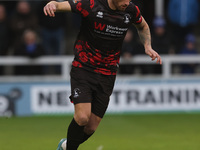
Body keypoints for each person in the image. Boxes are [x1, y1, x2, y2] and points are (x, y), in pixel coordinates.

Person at [43, 0, 162, 149]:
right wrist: (53, 4)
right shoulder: (91, 5)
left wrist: (147, 46)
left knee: (91, 127)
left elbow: (142, 26)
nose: (127, 3)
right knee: (82, 117)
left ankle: (66, 145)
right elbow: (62, 5)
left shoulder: (131, 10)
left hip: (107, 74)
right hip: (84, 68)